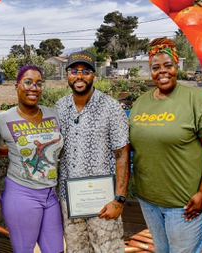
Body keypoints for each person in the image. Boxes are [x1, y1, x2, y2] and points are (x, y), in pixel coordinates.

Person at [129, 37, 202, 253]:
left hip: (184, 204)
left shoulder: (197, 100)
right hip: (149, 201)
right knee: (162, 250)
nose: (162, 71)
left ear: (177, 66)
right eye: (156, 67)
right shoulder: (142, 102)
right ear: (150, 71)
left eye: (168, 65)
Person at [55, 51, 130, 252]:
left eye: (85, 71)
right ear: (67, 75)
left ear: (94, 75)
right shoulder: (60, 107)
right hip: (70, 199)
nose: (79, 76)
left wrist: (119, 199)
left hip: (103, 202)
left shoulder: (111, 107)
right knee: (76, 249)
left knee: (107, 249)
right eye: (74, 71)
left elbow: (122, 155)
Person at [0, 65, 64, 253]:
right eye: (28, 82)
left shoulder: (54, 114)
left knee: (56, 250)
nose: (34, 87)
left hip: (50, 195)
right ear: (17, 86)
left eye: (39, 83)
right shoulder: (3, 119)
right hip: (22, 194)